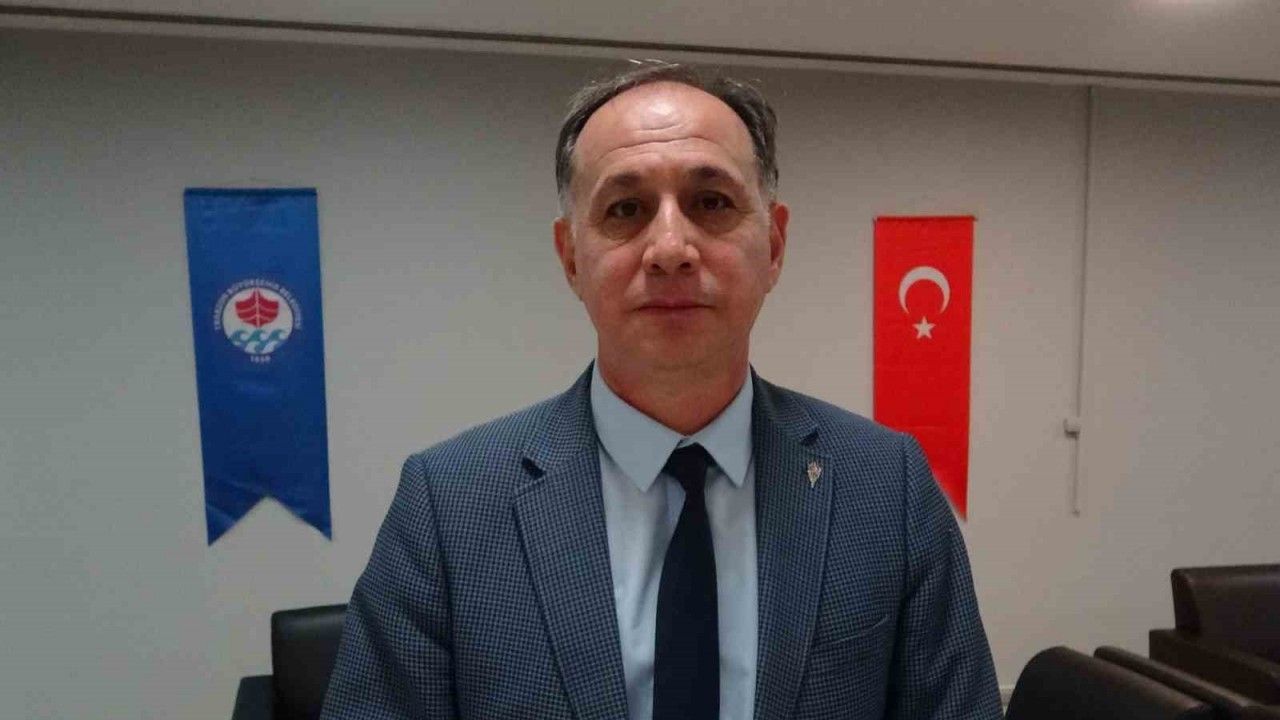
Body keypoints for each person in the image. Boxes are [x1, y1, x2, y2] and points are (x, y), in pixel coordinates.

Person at [321, 62, 1001, 720]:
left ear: (774, 245)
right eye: (626, 209)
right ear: (571, 257)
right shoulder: (448, 508)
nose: (671, 247)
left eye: (711, 202)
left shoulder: (887, 489)